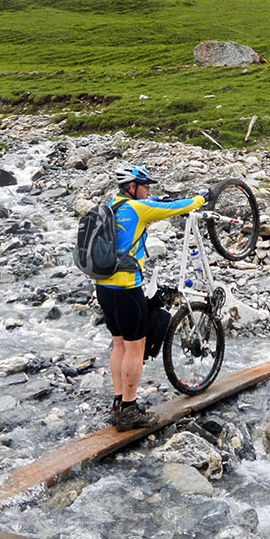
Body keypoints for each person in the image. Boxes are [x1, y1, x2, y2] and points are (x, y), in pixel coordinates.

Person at [95, 165, 206, 432]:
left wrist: (153, 199)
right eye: (145, 186)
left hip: (103, 286)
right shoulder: (137, 209)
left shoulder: (111, 206)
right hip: (127, 288)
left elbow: (152, 202)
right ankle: (130, 412)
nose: (149, 190)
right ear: (132, 187)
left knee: (118, 345)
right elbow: (176, 208)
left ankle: (119, 404)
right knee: (135, 347)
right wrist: (202, 198)